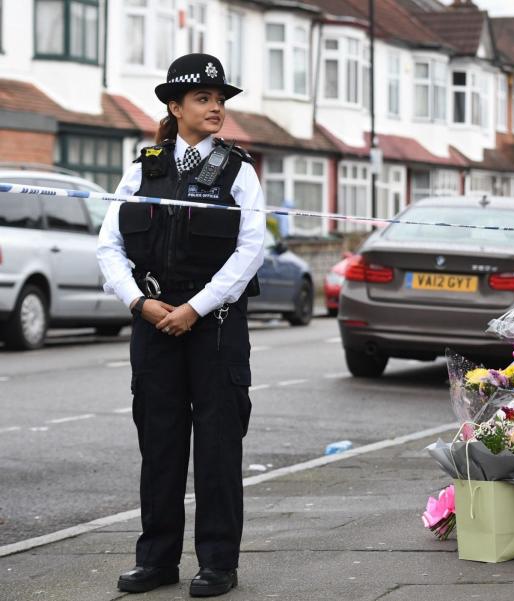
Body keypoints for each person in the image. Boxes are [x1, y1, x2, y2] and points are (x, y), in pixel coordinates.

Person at [97, 53, 265, 597]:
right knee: (161, 444)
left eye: (220, 99)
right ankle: (157, 560)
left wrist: (194, 307)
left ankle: (218, 563)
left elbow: (250, 251)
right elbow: (110, 245)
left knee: (218, 445)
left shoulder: (239, 172)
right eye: (203, 99)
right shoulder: (141, 168)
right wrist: (137, 303)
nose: (216, 107)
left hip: (213, 326)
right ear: (176, 106)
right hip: (152, 324)